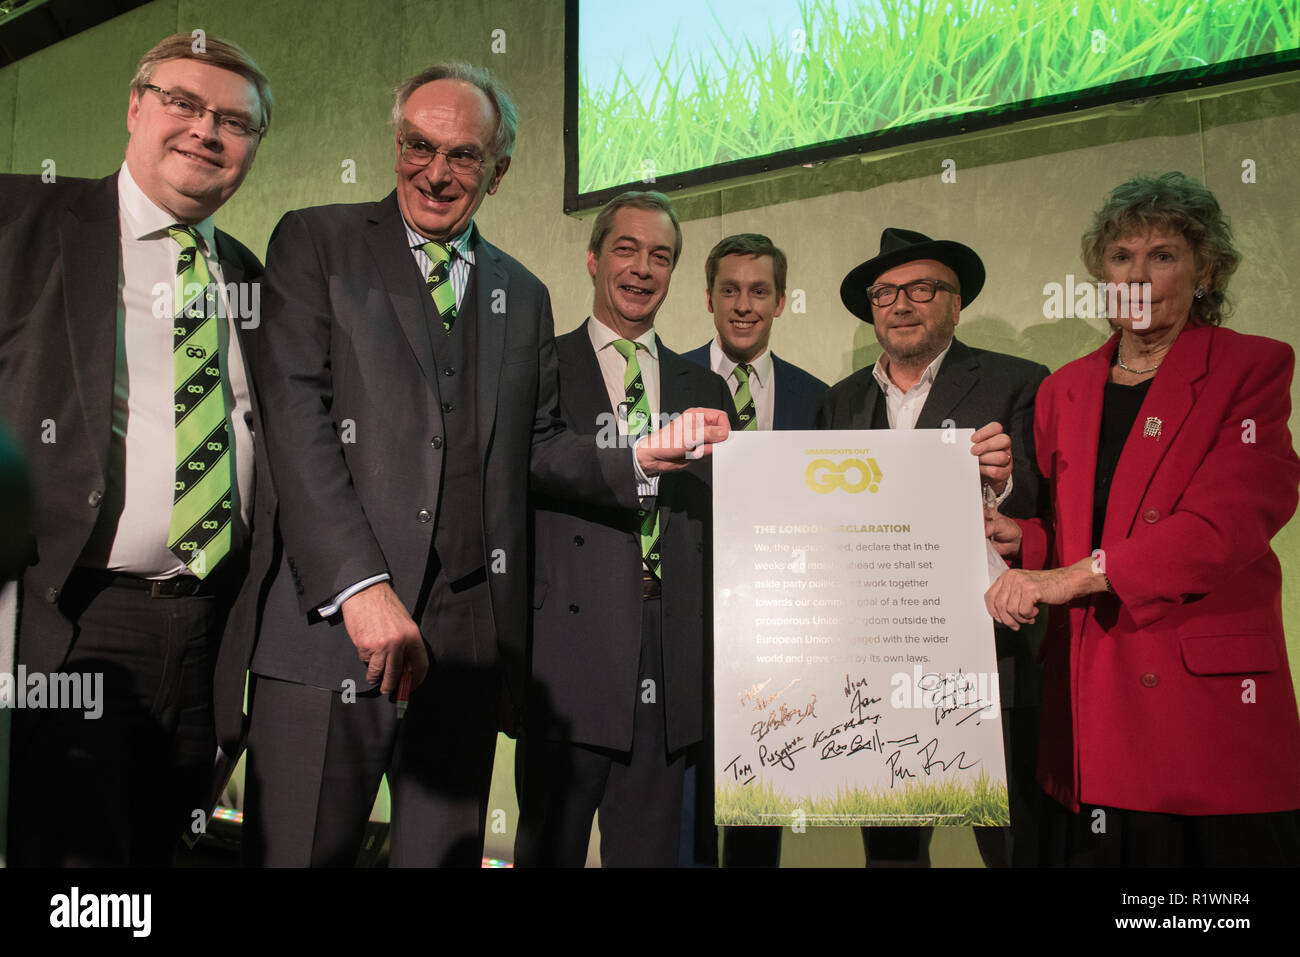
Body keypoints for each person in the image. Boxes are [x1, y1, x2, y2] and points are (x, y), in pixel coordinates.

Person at [243, 71, 725, 867]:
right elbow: (296, 423)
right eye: (418, 147)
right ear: (396, 145)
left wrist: (638, 456)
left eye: (463, 156)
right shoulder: (316, 242)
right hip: (331, 628)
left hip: (464, 648)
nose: (436, 173)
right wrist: (360, 588)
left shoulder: (523, 294)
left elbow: (537, 446)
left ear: (498, 170)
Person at [0, 34, 274, 865]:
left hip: (206, 632)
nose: (205, 131)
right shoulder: (24, 217)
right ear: (134, 107)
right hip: (68, 618)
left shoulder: (250, 277)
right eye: (182, 103)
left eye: (234, 120)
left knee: (159, 854)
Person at [985, 171, 1300, 866]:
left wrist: (1073, 575)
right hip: (1091, 701)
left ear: (1206, 269)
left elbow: (1222, 527)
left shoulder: (1252, 367)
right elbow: (1073, 532)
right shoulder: (1063, 388)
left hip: (1204, 714)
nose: (1138, 273)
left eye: (1164, 255)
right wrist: (1025, 541)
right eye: (1122, 255)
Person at [514, 191, 737, 867]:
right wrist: (636, 460)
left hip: (671, 668)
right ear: (592, 258)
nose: (643, 268)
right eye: (626, 249)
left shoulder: (707, 385)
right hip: (569, 662)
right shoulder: (540, 363)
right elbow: (533, 461)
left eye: (661, 256)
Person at [820, 227, 1050, 867]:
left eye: (921, 288)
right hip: (873, 663)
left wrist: (1002, 489)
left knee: (1013, 845)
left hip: (988, 653)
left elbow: (1053, 497)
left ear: (956, 302)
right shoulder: (839, 402)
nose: (900, 304)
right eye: (885, 292)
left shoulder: (1020, 383)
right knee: (890, 852)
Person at [681, 233, 828, 866]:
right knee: (684, 811)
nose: (744, 305)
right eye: (730, 290)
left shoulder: (818, 398)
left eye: (759, 291)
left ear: (782, 301)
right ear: (708, 298)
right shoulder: (667, 380)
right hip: (681, 628)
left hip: (776, 639)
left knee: (757, 810)